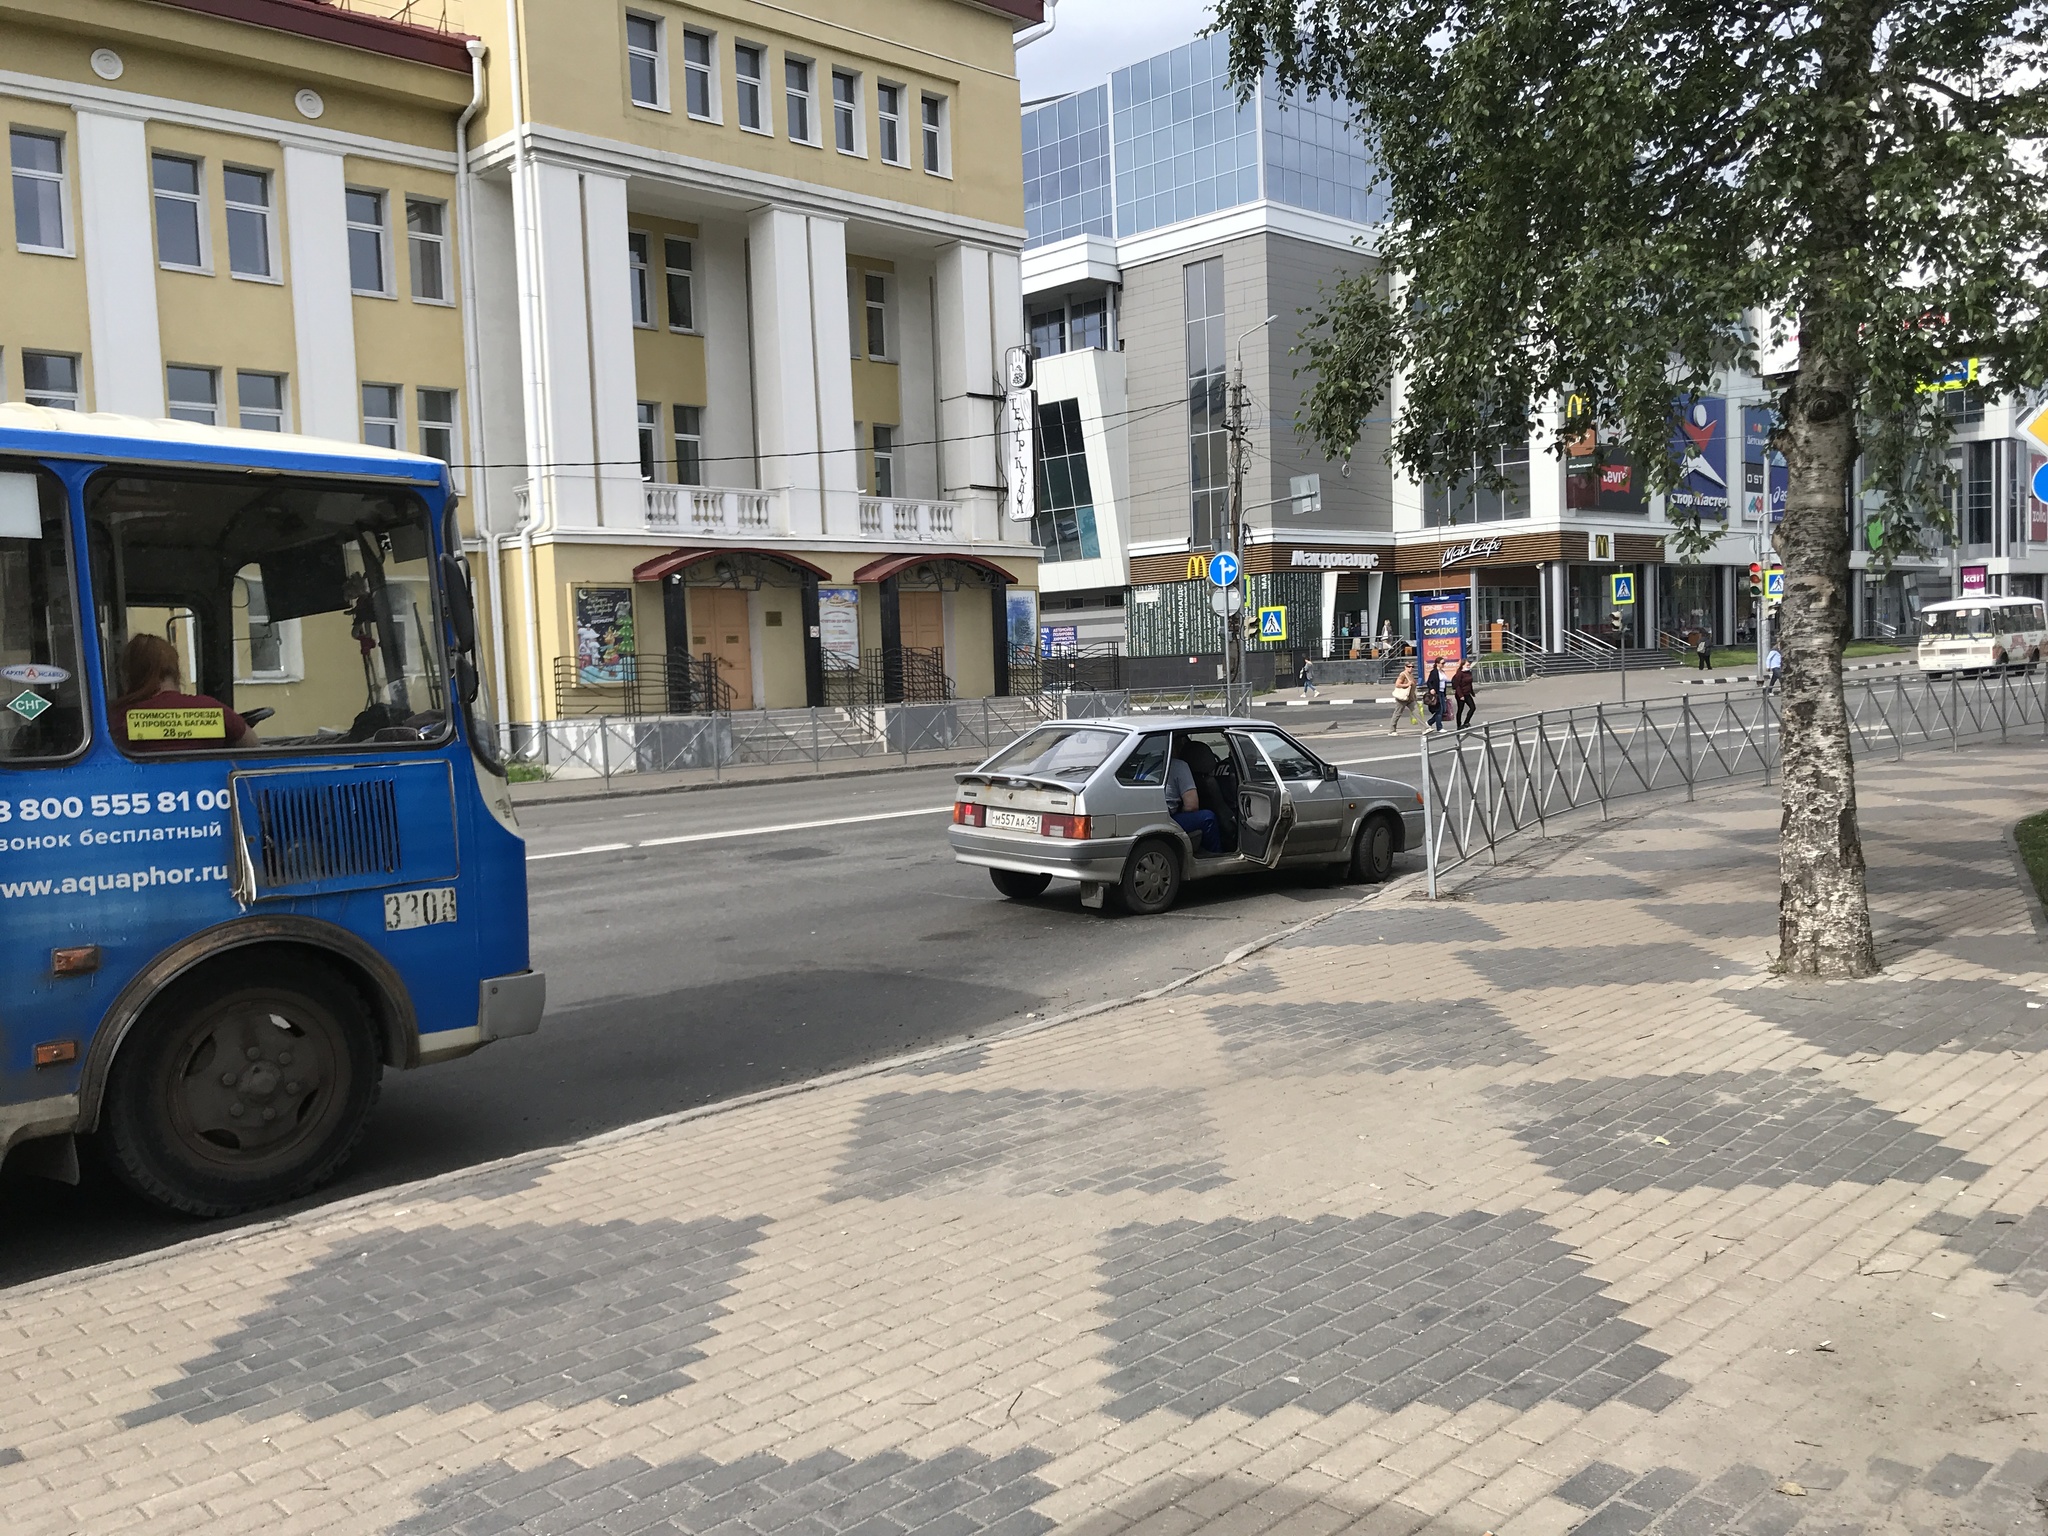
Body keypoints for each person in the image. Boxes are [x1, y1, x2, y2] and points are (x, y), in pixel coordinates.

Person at [110, 633, 256, 753]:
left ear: (128, 675)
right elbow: (252, 747)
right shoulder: (211, 709)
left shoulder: (117, 719)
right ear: (175, 671)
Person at [1164, 744, 1222, 854]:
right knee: (1208, 817)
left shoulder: (1145, 763)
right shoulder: (1179, 766)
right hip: (1167, 819)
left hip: (1145, 815)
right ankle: (1215, 856)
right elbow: (1192, 806)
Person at [1388, 664, 1418, 733]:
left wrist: (1414, 696)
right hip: (1402, 698)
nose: (1411, 668)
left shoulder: (1411, 675)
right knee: (1397, 713)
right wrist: (1407, 685)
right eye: (1409, 666)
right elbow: (1397, 684)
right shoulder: (1403, 674)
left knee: (1417, 712)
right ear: (1405, 667)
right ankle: (1392, 730)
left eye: (1412, 667)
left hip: (1410, 698)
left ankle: (1425, 728)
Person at [1423, 658, 1448, 733]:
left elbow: (1444, 683)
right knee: (1439, 710)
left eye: (1444, 663)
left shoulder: (1442, 672)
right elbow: (1429, 682)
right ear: (1437, 663)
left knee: (1443, 710)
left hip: (1442, 692)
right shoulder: (1434, 672)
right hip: (1436, 693)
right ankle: (1439, 728)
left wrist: (1445, 694)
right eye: (1442, 663)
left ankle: (1429, 722)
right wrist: (1431, 689)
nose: (1443, 664)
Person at [1452, 657, 1477, 730]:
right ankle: (1459, 725)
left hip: (1467, 693)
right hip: (1460, 694)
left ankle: (1466, 722)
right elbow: (1457, 685)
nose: (1469, 666)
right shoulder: (1459, 673)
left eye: (1469, 665)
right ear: (1463, 665)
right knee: (1460, 709)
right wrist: (1461, 695)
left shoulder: (1468, 672)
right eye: (1467, 665)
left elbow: (1469, 683)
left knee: (1472, 708)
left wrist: (1472, 692)